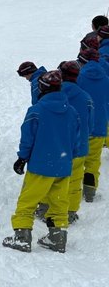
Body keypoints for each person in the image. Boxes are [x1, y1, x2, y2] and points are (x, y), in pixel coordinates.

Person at [3, 71, 78, 254]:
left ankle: (22, 238)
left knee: (28, 200)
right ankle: (57, 237)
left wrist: (22, 158)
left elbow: (28, 137)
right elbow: (76, 139)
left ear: (42, 88)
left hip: (41, 165)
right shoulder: (72, 111)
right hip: (63, 165)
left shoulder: (37, 110)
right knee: (59, 201)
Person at [55, 61, 94, 224]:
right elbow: (90, 126)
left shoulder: (54, 95)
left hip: (57, 146)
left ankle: (50, 209)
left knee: (54, 180)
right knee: (75, 180)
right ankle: (70, 211)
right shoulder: (85, 97)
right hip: (79, 146)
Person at [76, 48, 109, 203]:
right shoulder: (106, 79)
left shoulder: (79, 77)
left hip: (81, 126)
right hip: (99, 126)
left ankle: (72, 192)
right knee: (93, 161)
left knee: (76, 161)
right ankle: (89, 193)